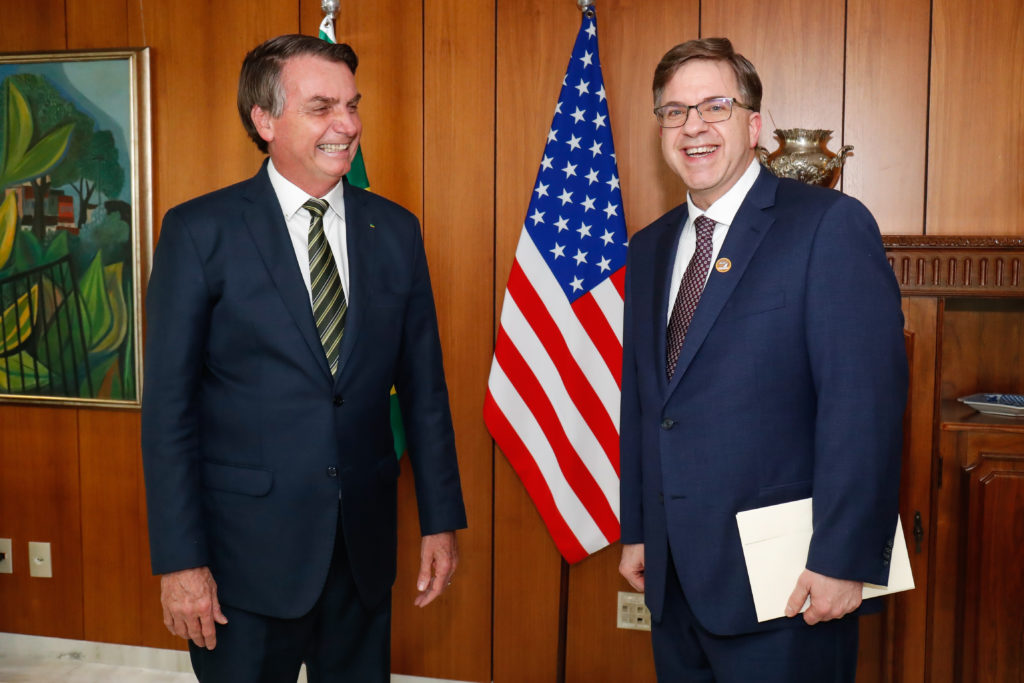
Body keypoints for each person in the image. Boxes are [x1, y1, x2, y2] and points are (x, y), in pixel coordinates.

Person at [141, 34, 466, 682]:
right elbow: (169, 414)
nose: (347, 126)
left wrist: (440, 520)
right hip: (243, 562)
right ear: (265, 120)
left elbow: (423, 388)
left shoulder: (395, 230)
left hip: (363, 552)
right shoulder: (199, 232)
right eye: (322, 107)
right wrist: (180, 563)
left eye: (352, 105)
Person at [617, 37, 907, 682]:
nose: (693, 126)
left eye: (714, 106)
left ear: (753, 125)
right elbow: (645, 405)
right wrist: (639, 529)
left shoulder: (827, 226)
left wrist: (844, 559)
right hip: (675, 578)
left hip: (791, 585)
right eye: (674, 111)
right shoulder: (650, 247)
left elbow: (864, 407)